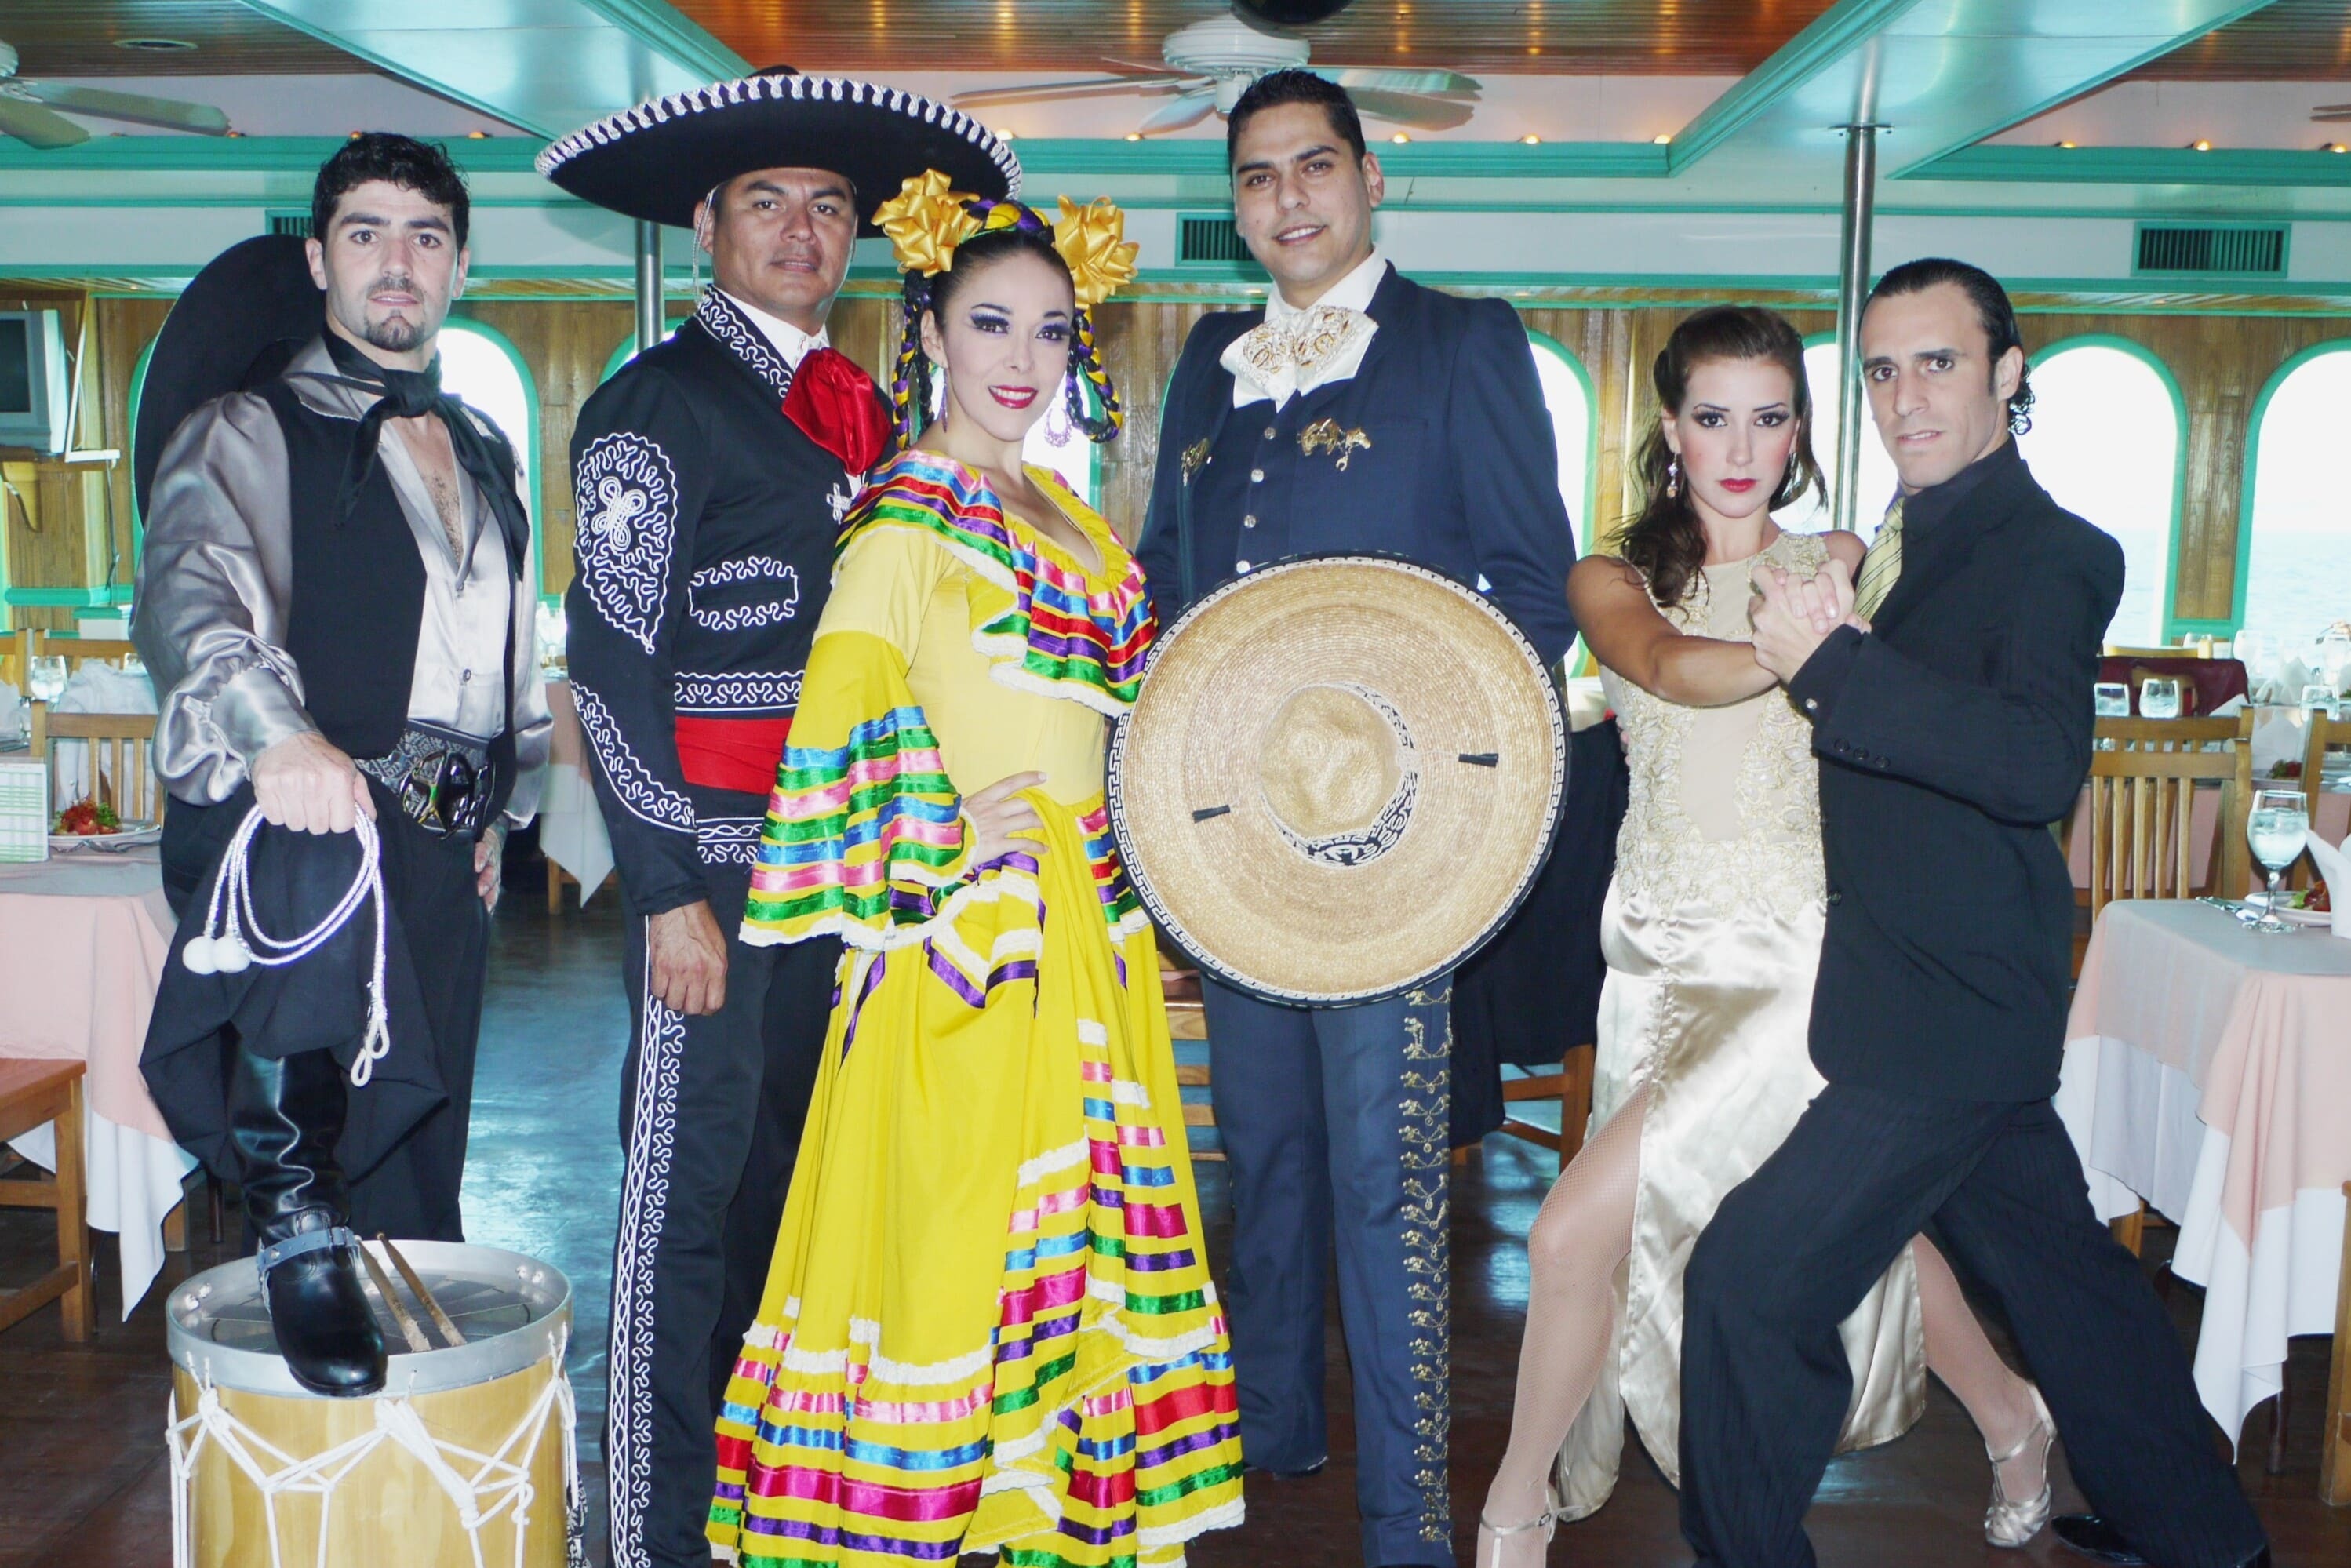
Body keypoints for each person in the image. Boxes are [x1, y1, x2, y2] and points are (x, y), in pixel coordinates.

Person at [1679, 260, 2273, 1568]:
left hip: (1944, 1016)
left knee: (1744, 1284)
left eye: (1937, 363)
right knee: (2068, 1289)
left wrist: (1833, 667)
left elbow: (2033, 766)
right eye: (1881, 370)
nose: (1905, 397)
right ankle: (2206, 1537)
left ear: (2007, 373)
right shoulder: (1898, 542)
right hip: (1927, 997)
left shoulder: (2053, 554)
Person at [706, 174, 1243, 1566]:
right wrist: (941, 834)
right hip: (966, 941)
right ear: (931, 333)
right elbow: (840, 695)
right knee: (953, 1247)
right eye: (990, 324)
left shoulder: (1063, 511)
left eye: (1051, 331)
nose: (1021, 358)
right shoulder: (907, 514)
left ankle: (1038, 1526)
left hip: (1090, 930)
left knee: (1058, 1257)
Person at [1473, 306, 2058, 1565]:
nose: (1739, 448)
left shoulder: (1835, 560)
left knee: (1571, 1233)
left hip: (1793, 966)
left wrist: (1838, 613)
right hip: (1652, 967)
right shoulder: (1606, 580)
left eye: (1769, 418)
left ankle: (1513, 1506)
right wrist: (1805, 638)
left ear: (1797, 433)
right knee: (1872, 1232)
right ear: (1670, 430)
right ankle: (2012, 1416)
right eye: (1712, 417)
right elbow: (1669, 670)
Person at [537, 75, 1021, 1568]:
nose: (802, 230)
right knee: (680, 1209)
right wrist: (666, 891)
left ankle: (757, 1505)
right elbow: (610, 665)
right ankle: (652, 1533)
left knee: (794, 1193)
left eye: (827, 206)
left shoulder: (867, 412)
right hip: (716, 883)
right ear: (706, 225)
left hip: (849, 877)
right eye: (766, 203)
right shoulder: (653, 404)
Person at [1136, 70, 1580, 1568]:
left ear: (1370, 175)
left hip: (1399, 844)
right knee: (1258, 1156)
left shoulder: (1463, 341)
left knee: (1383, 1178)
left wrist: (1450, 782)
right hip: (1235, 841)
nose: (1288, 199)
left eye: (1313, 165)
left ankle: (1405, 1518)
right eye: (1256, 176)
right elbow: (1165, 582)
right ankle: (1271, 1431)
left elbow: (1533, 590)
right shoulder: (1205, 360)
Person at [135, 133, 548, 1393]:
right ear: (320, 260)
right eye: (366, 234)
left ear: (460, 266)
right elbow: (193, 598)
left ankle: (413, 1426)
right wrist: (280, 736)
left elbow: (502, 648)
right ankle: (297, 1247)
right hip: (316, 840)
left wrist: (499, 806)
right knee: (320, 1122)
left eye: (426, 237)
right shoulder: (247, 427)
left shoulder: (484, 445)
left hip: (444, 851)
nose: (396, 262)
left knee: (420, 1143)